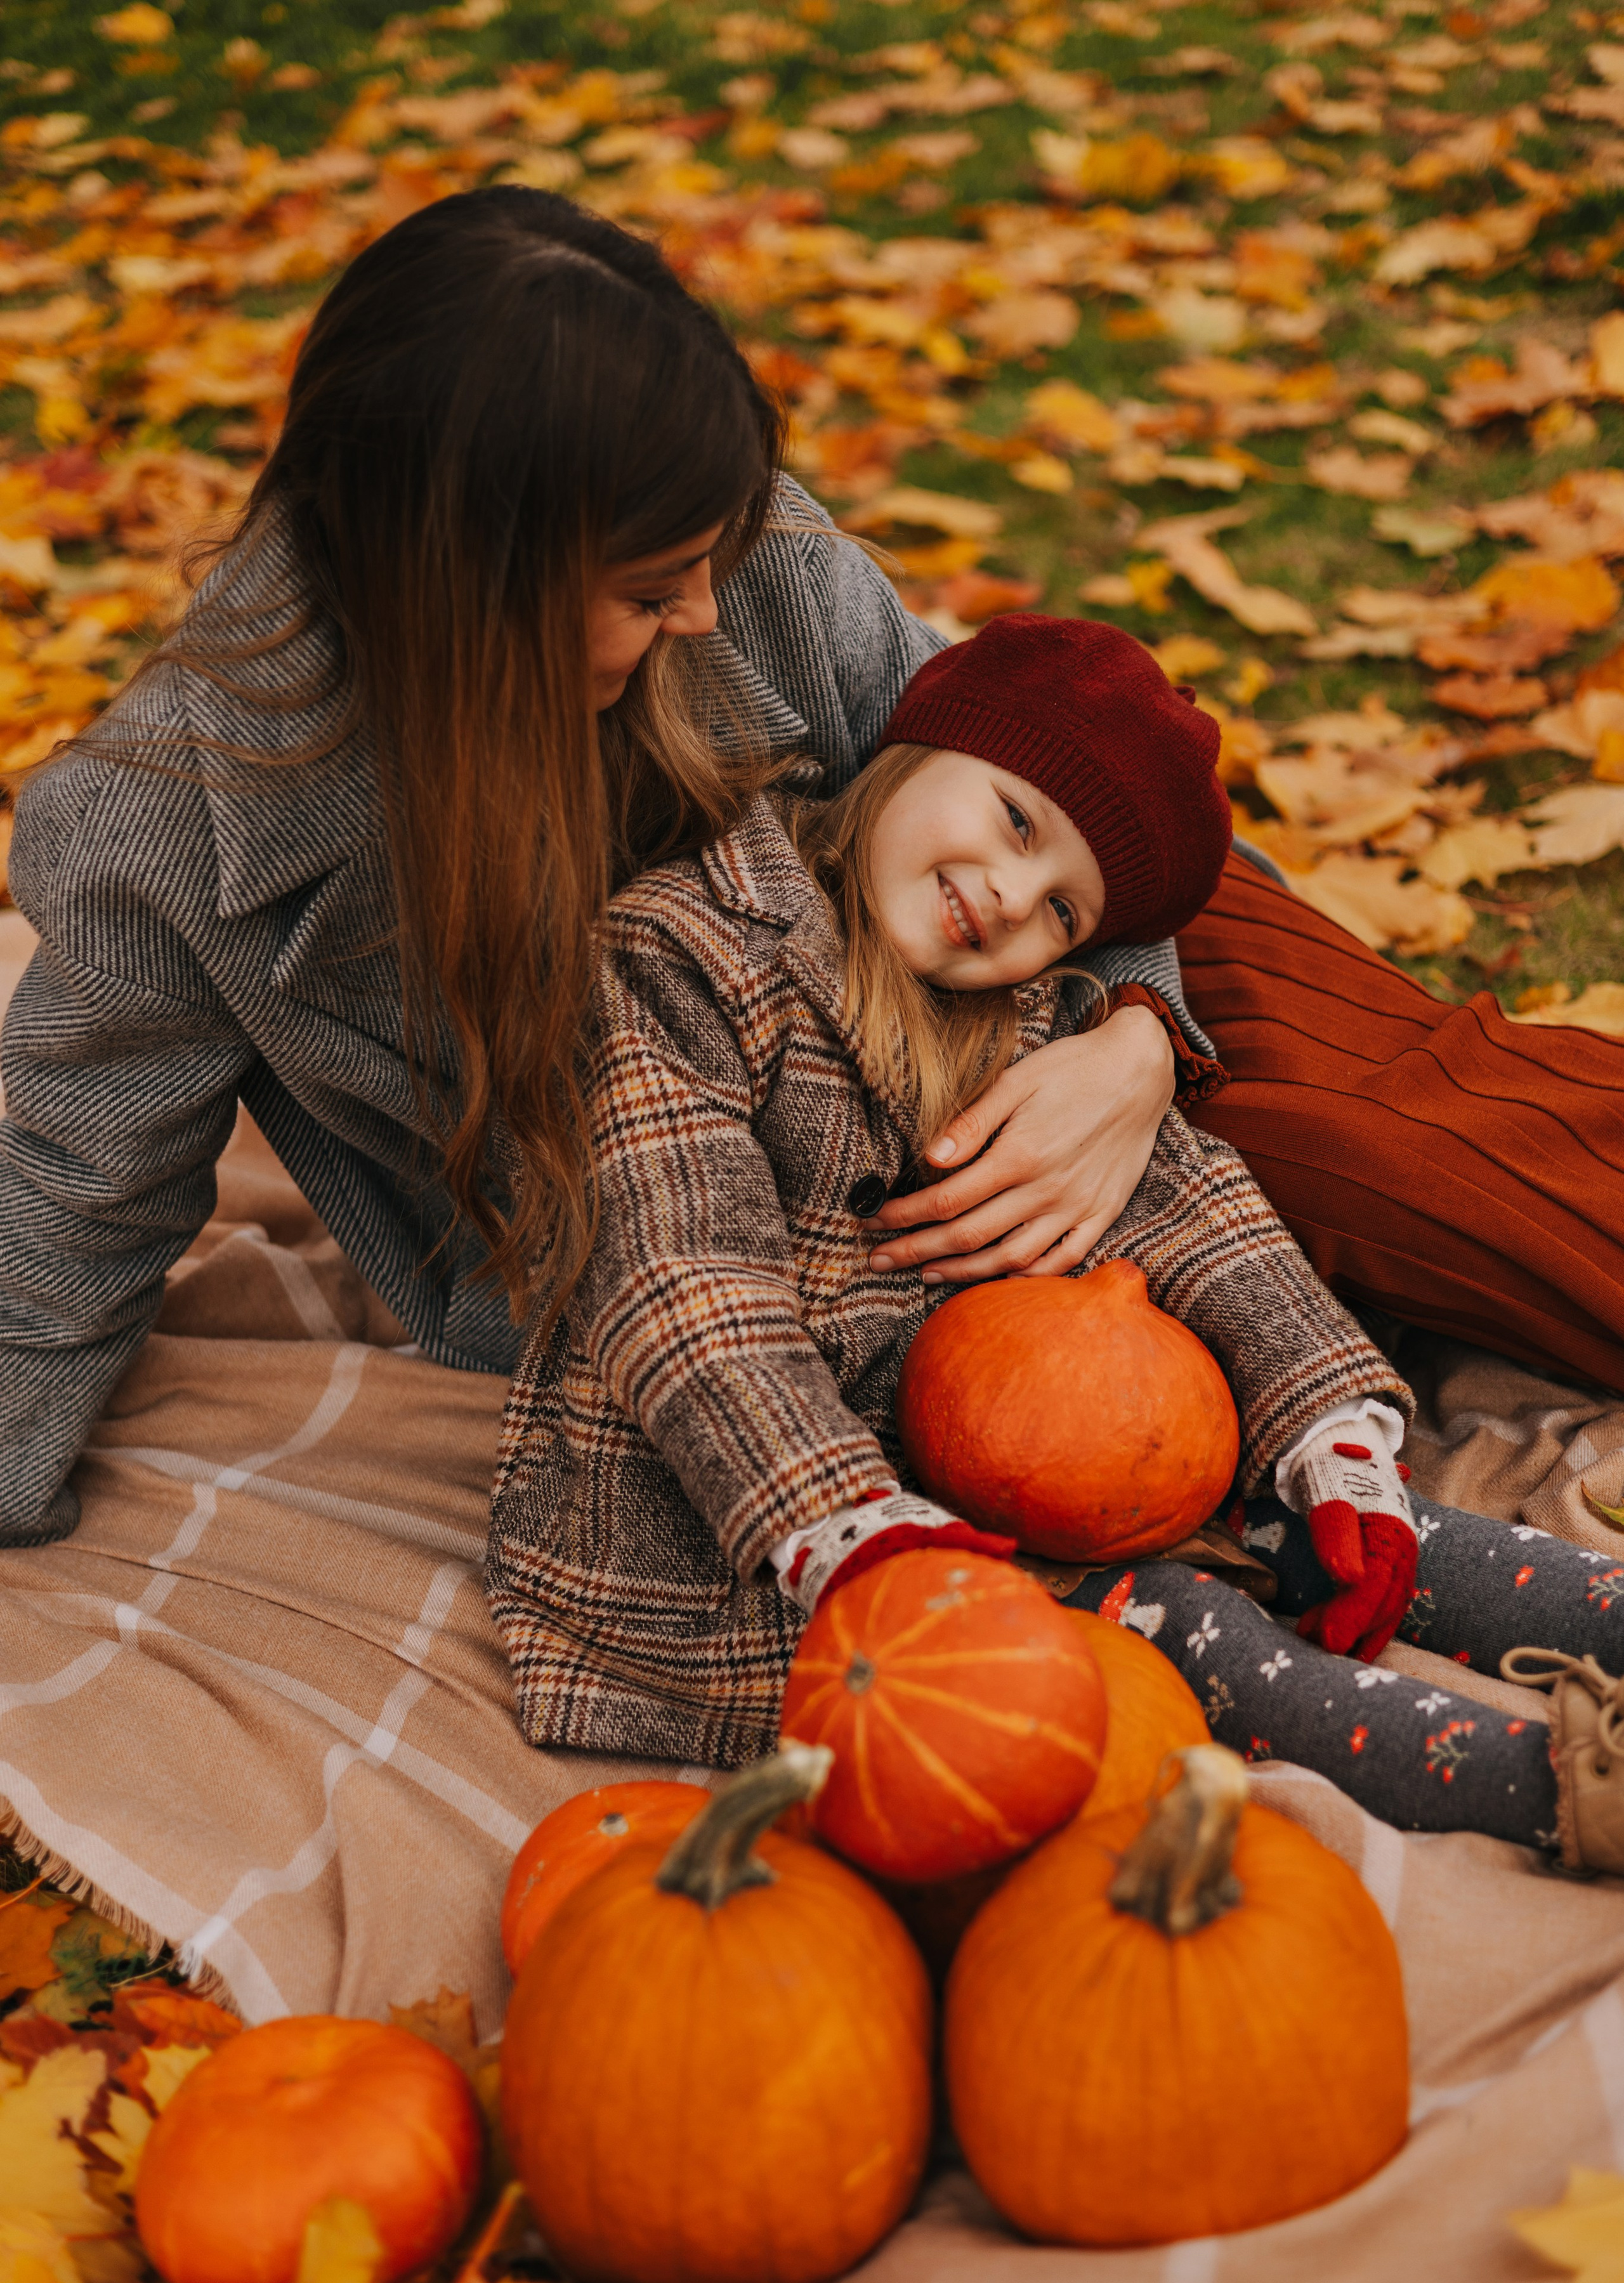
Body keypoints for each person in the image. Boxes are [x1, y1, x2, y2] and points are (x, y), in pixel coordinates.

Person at [0, 186, 1182, 1551]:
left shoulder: (742, 563)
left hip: (980, 1240)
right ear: (471, 602)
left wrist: (1139, 1037)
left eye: (702, 566)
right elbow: (76, 1204)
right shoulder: (163, 835)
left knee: (1361, 1175)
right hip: (682, 1362)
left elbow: (1082, 785)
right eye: (646, 592)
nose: (698, 608)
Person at [487, 615, 1624, 1878]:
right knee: (1182, 1634)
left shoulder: (1015, 1013)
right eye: (1016, 822)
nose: (1008, 901)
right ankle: (1558, 1786)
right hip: (740, 1543)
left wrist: (1329, 1433)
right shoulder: (678, 953)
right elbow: (679, 1281)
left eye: (1061, 910)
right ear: (921, 746)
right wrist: (848, 1531)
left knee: (1367, 1531)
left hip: (998, 1468)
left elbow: (1192, 1205)